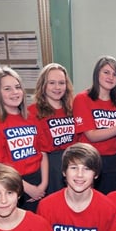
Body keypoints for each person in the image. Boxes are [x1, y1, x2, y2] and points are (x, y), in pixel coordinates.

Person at [0, 67, 48, 212]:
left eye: (17, 87)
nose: (15, 92)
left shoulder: (31, 117)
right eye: (7, 89)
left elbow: (42, 152)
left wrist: (43, 185)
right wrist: (27, 188)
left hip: (37, 182)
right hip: (10, 184)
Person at [74, 56, 116, 194]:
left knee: (109, 203)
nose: (111, 77)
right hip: (88, 160)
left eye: (115, 74)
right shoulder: (82, 99)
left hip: (112, 160)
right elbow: (91, 136)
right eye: (106, 72)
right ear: (97, 73)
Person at [29, 63, 77, 195]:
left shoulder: (73, 108)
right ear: (43, 85)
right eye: (52, 83)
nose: (57, 87)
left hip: (72, 163)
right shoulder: (32, 112)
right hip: (48, 167)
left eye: (61, 83)